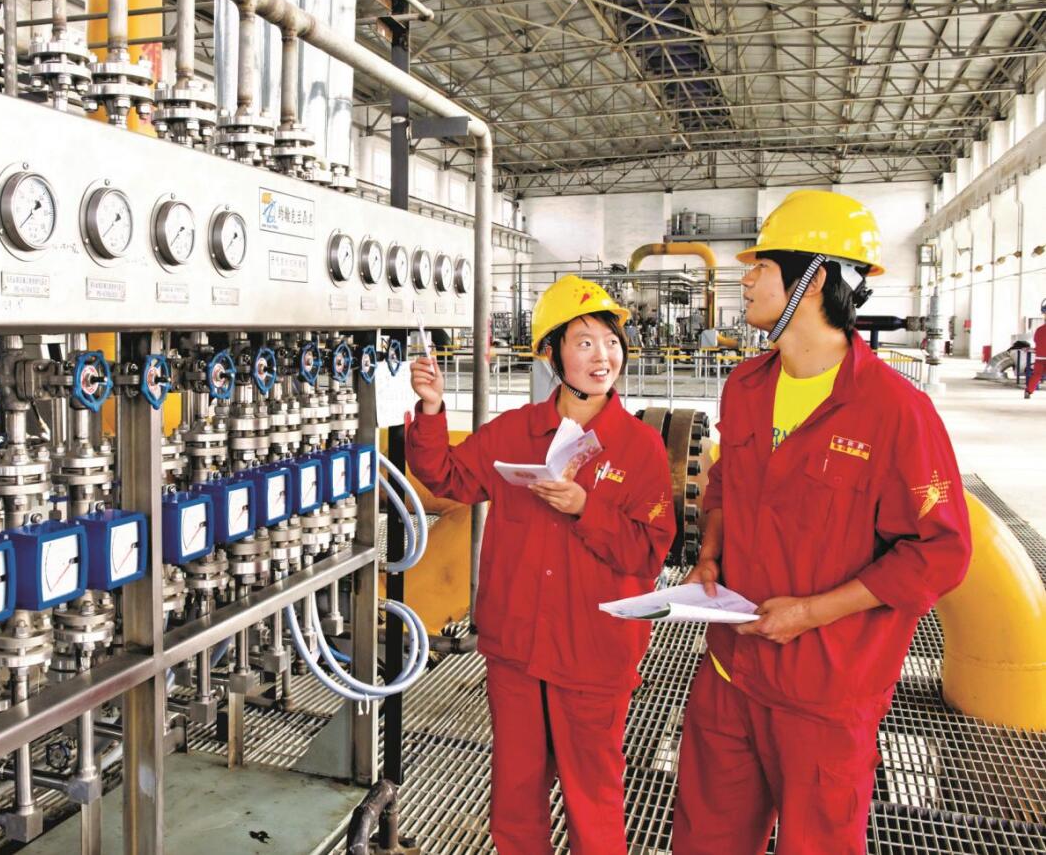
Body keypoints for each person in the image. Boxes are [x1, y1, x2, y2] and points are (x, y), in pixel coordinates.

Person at [672, 191, 972, 855]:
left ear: (813, 280)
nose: (746, 279)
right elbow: (723, 483)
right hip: (728, 673)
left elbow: (940, 551)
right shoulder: (745, 386)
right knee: (704, 840)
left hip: (825, 694)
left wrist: (811, 612)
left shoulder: (895, 412)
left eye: (762, 266)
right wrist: (710, 555)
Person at [407, 275, 676, 855]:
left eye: (611, 342)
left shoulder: (639, 447)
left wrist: (587, 509)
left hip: (593, 653)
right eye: (584, 342)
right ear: (552, 354)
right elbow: (447, 477)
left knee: (593, 797)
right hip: (517, 648)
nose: (603, 357)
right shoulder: (516, 432)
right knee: (516, 792)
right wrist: (431, 409)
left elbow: (649, 552)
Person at [1024, 301, 1046, 399]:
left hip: (1040, 357)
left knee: (1036, 374)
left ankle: (1028, 391)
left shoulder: (1039, 330)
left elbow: (1037, 341)